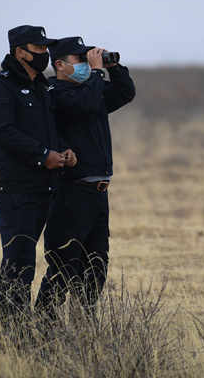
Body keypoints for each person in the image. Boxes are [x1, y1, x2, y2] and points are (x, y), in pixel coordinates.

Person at [0, 25, 77, 328]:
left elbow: (48, 131)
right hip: (17, 191)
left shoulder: (41, 86)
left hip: (45, 188)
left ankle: (24, 327)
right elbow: (3, 132)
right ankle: (11, 331)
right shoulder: (1, 86)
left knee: (32, 260)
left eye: (46, 48)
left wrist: (63, 149)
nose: (44, 54)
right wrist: (42, 155)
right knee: (18, 263)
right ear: (20, 52)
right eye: (38, 49)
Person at [35, 36, 135, 314]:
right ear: (60, 65)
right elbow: (85, 105)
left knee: (96, 266)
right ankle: (43, 324)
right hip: (71, 192)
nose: (87, 64)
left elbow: (125, 93)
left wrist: (112, 67)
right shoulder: (54, 93)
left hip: (97, 194)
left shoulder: (90, 90)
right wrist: (97, 73)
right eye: (80, 60)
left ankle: (85, 328)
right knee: (63, 266)